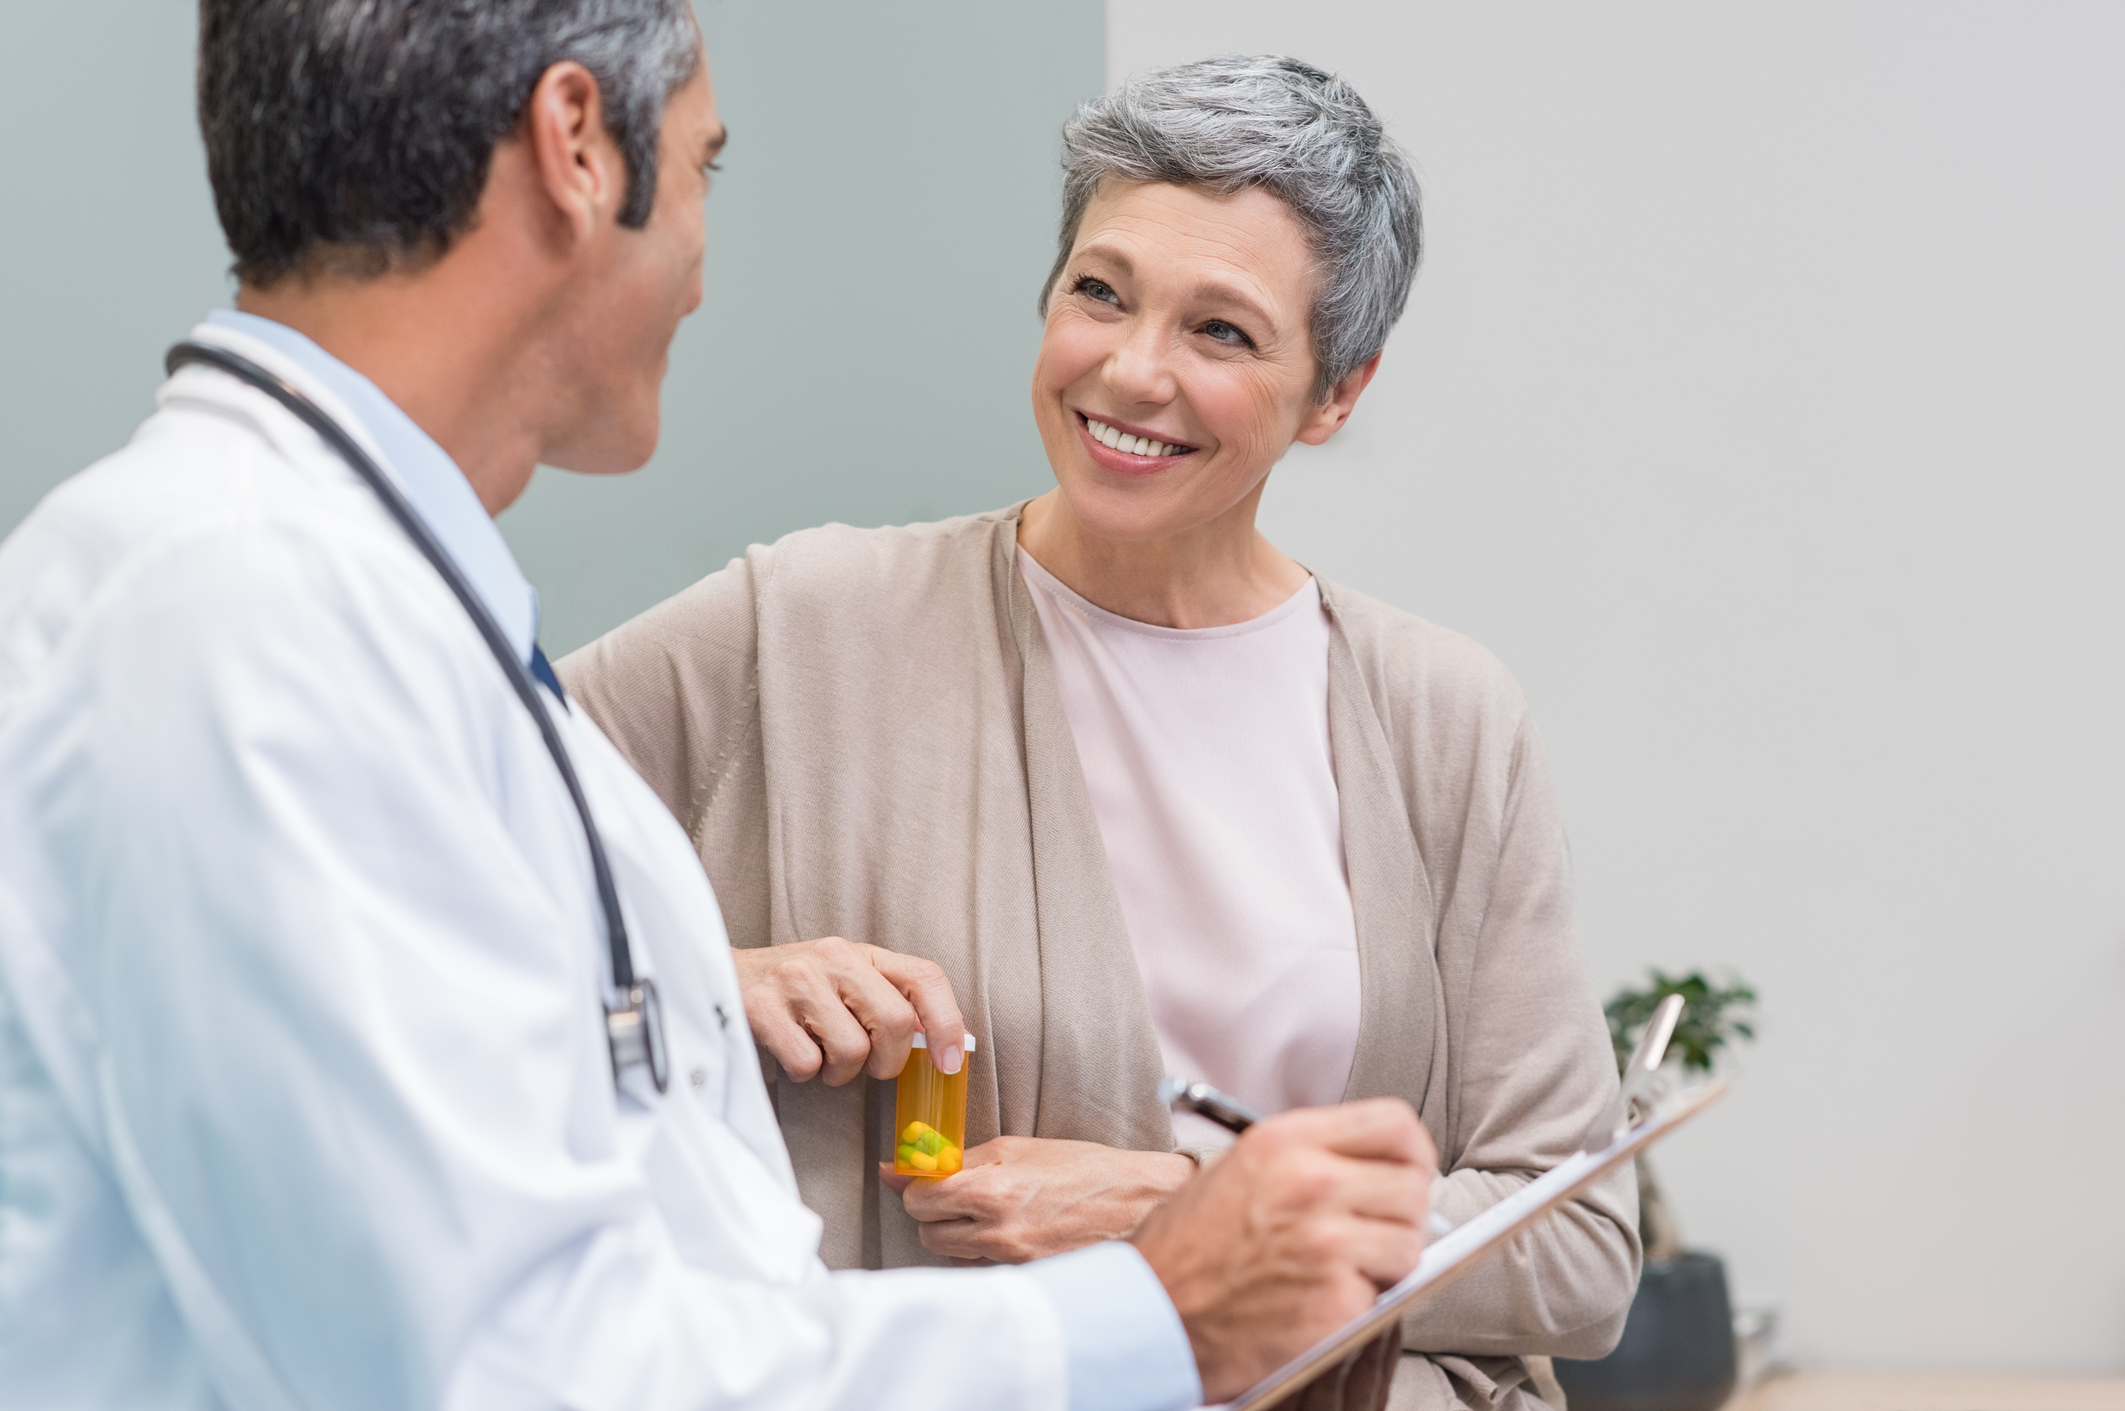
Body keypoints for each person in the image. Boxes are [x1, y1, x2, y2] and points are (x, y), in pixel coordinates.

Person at [0, 9, 1441, 1409]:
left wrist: (694, 978)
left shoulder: (352, 607)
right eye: (704, 167)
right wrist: (1151, 1316)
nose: (700, 265)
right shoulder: (247, 619)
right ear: (578, 146)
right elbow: (509, 1375)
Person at [561, 56, 1637, 1410]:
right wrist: (709, 969)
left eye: (1222, 333)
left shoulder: (1440, 717)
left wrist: (1167, 1208)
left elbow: (1579, 1244)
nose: (1131, 373)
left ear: (1336, 394)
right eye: (1100, 293)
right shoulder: (800, 624)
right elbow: (412, 885)